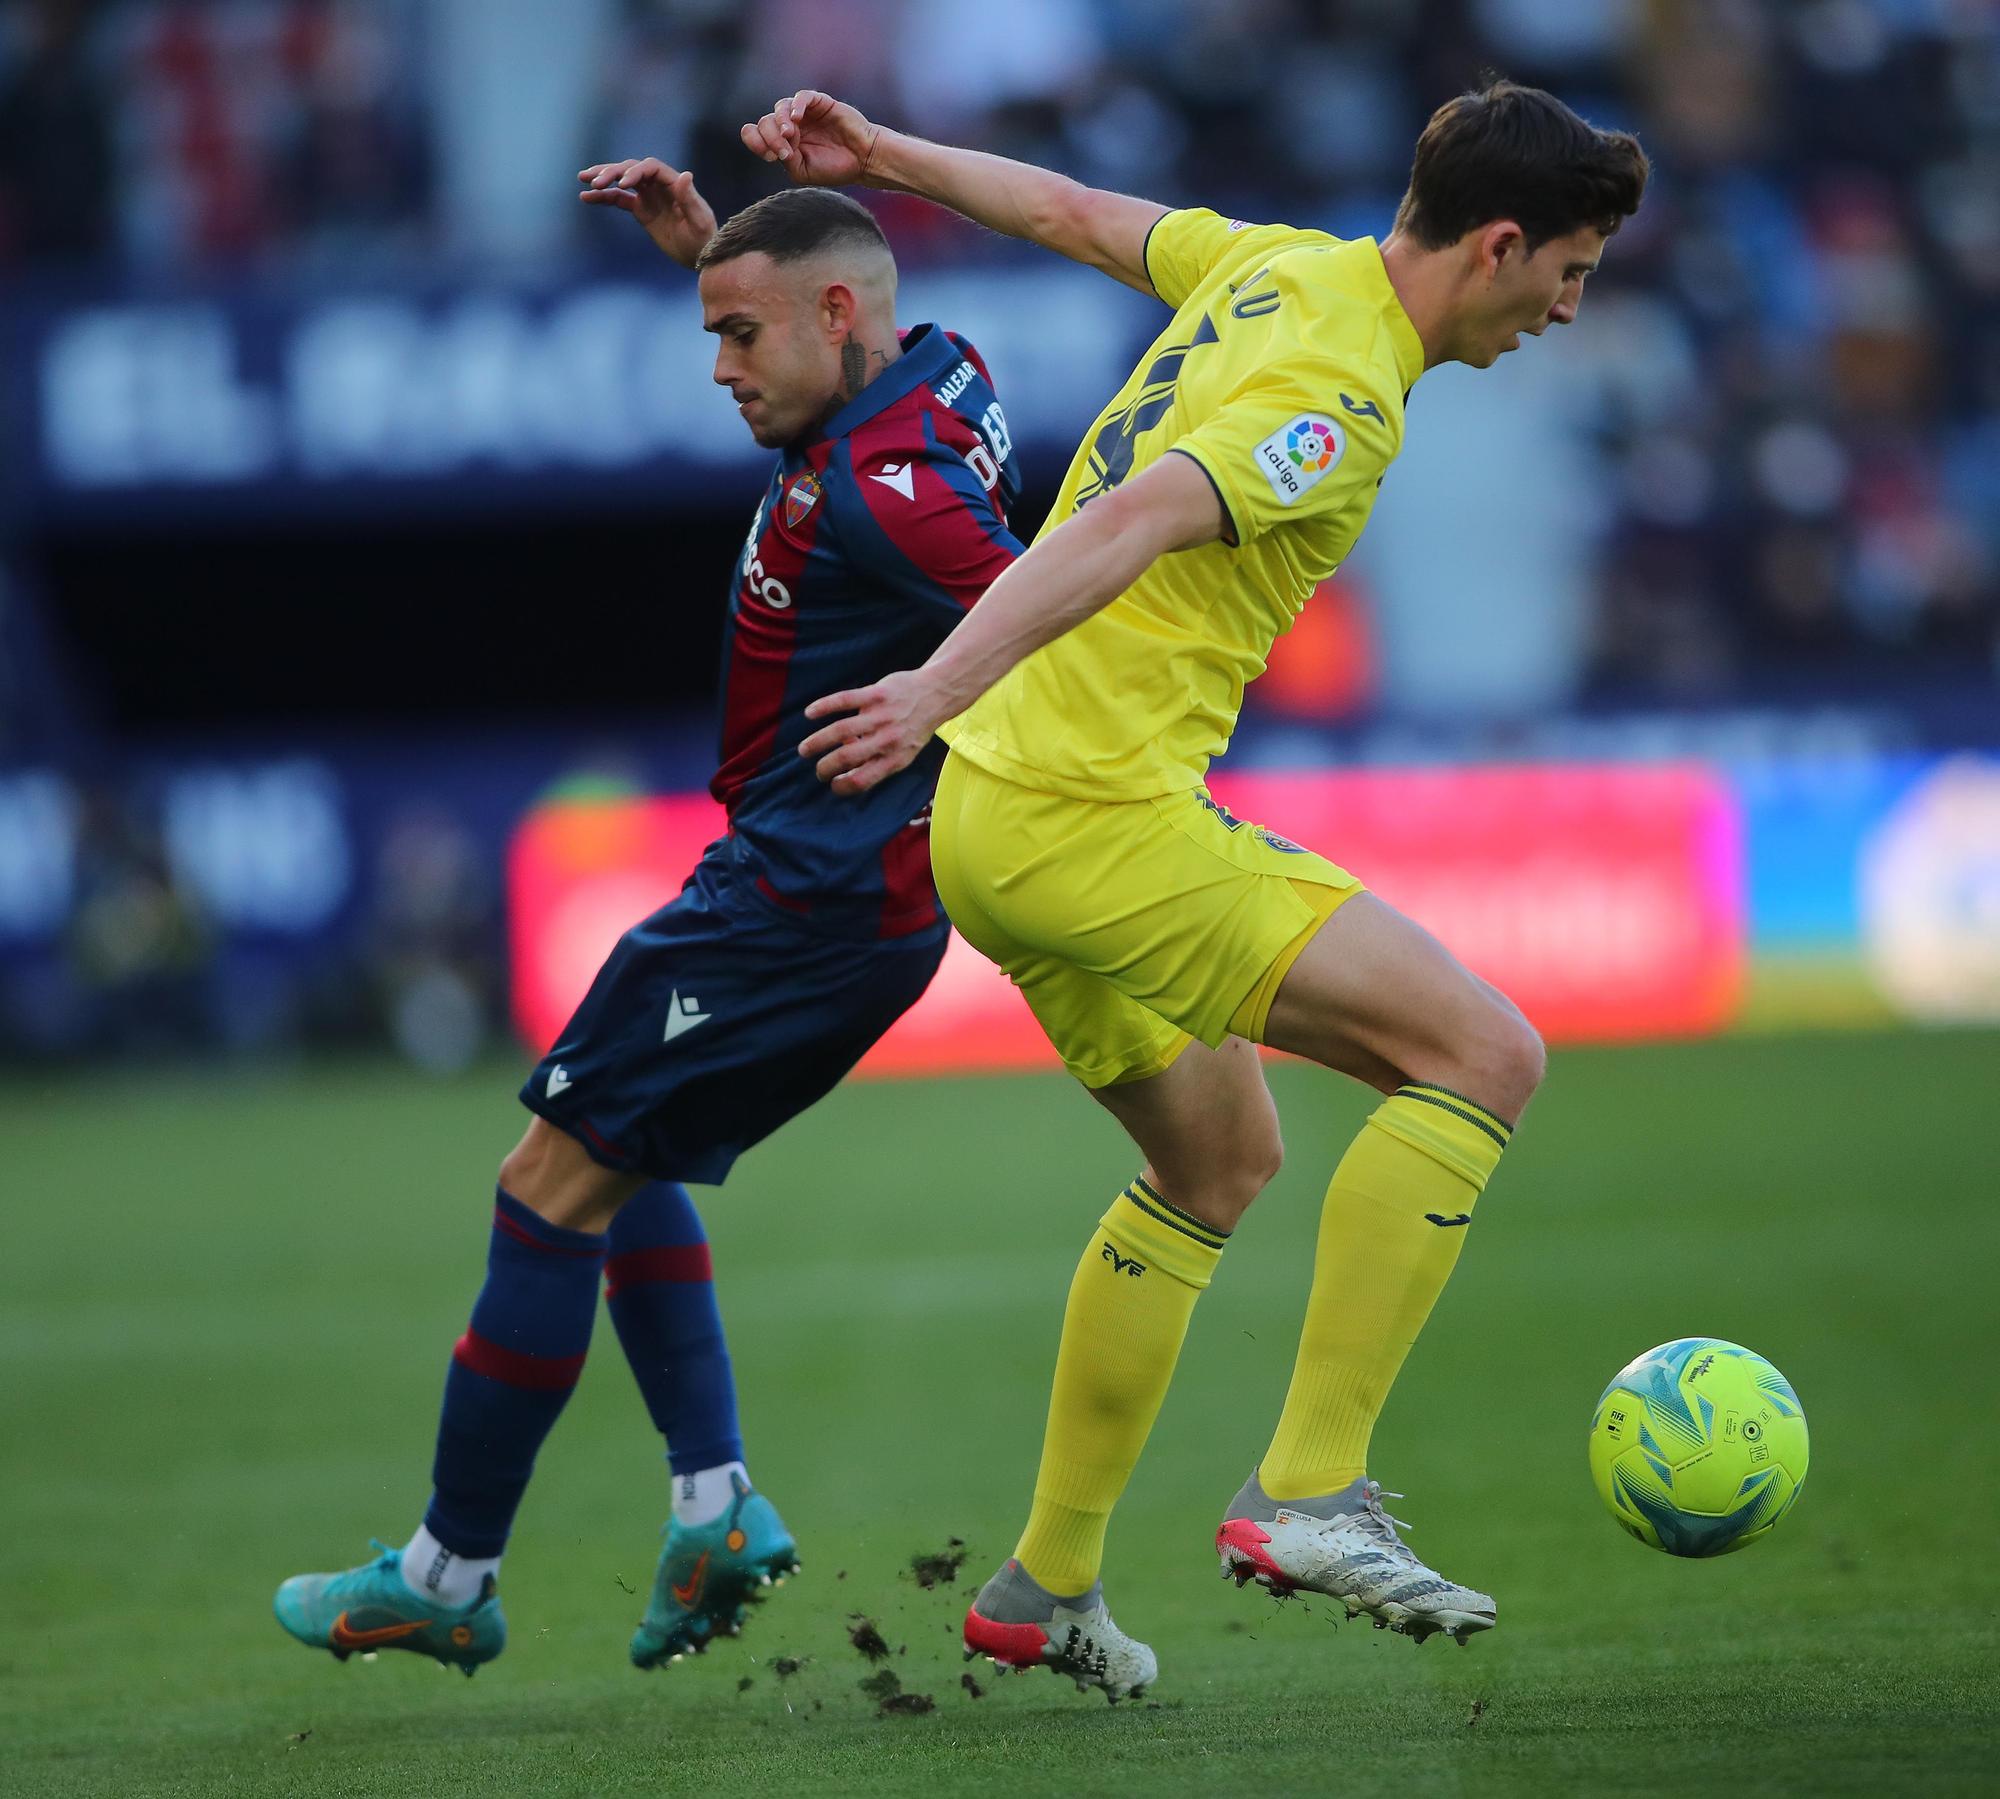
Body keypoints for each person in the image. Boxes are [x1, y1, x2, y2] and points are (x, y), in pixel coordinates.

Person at [743, 78, 1648, 1700]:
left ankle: (1047, 1585)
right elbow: (1154, 514)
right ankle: (1311, 1491)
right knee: (1485, 1055)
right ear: (1500, 243)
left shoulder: (1281, 265)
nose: (1566, 309)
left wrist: (885, 156)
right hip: (1088, 811)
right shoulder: (1345, 388)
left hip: (998, 820)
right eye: (1569, 270)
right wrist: (940, 681)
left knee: (1220, 1164)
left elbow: (1075, 213)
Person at [273, 162, 1023, 1676]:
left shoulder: (891, 493)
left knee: (545, 1184)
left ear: (831, 318)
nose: (719, 370)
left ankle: (450, 1571)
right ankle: (713, 1505)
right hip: (808, 891)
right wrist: (721, 254)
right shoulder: (936, 373)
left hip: (800, 902)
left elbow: (1043, 604)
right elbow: (852, 346)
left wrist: (944, 697)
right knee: (615, 1143)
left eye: (738, 336)